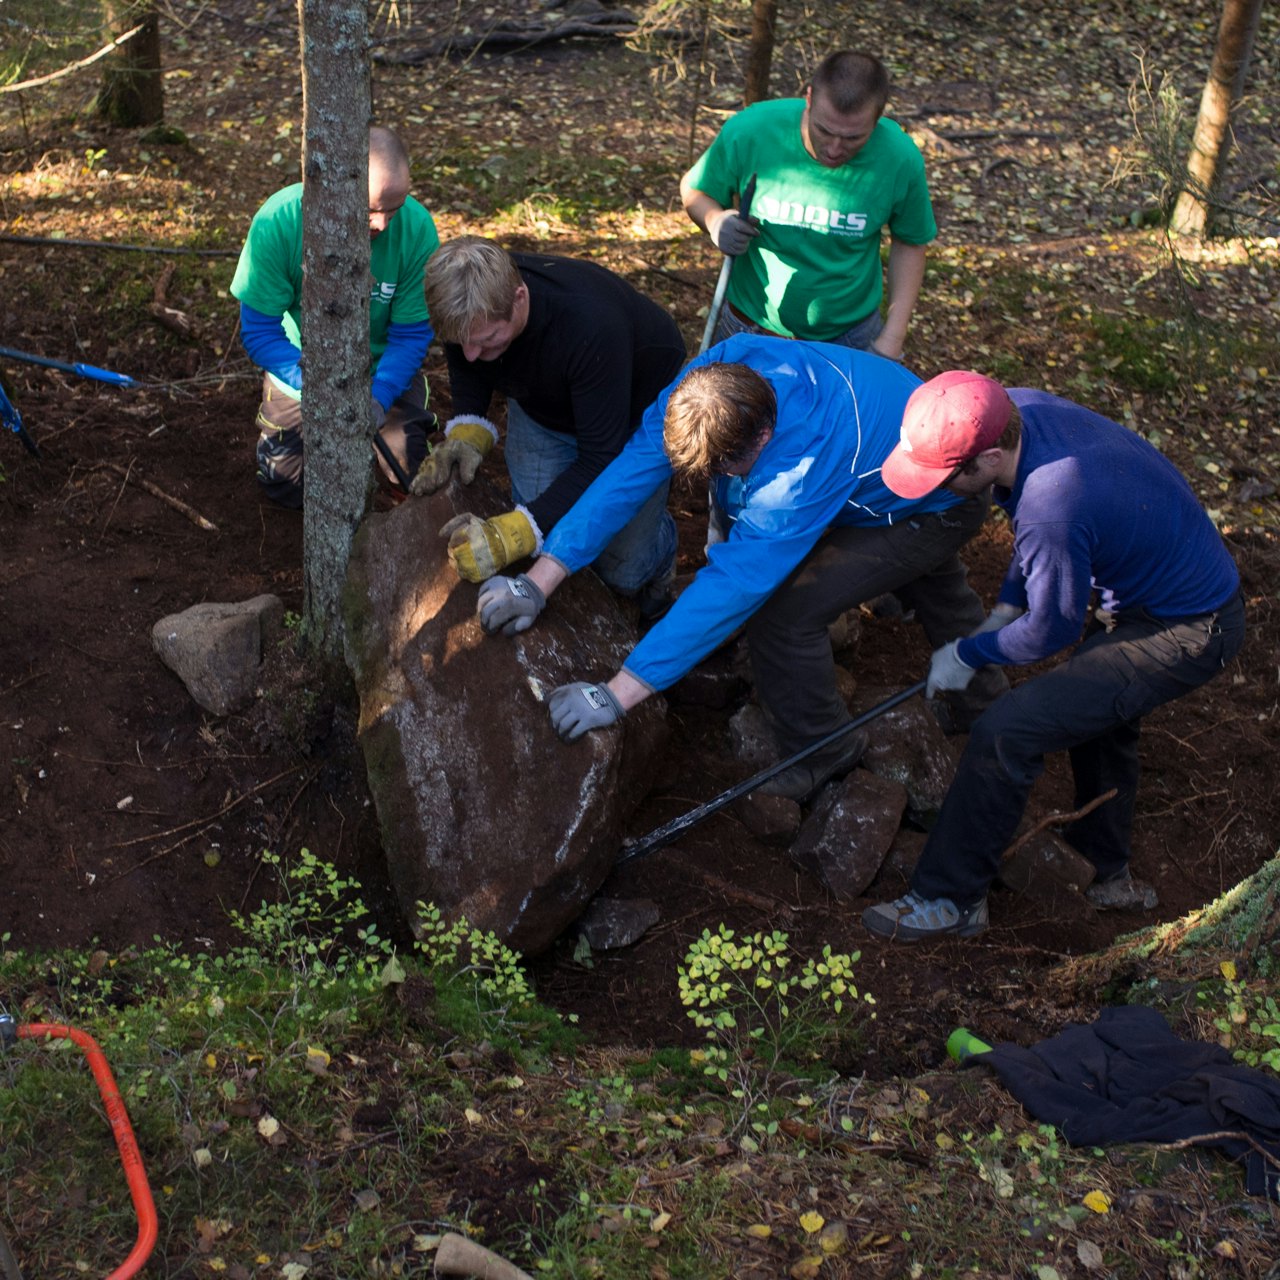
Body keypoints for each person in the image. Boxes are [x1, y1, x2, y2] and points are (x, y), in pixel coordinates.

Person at [472, 335, 1005, 801]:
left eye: (725, 469)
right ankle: (986, 705)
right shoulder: (718, 377)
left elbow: (738, 583)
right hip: (887, 464)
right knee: (936, 584)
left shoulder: (797, 477)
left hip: (942, 499)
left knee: (786, 613)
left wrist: (615, 693)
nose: (716, 479)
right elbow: (632, 469)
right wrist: (540, 578)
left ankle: (823, 748)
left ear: (762, 439)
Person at [862, 372, 1245, 942]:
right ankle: (1105, 870)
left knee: (1006, 731)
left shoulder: (1052, 504)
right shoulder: (1014, 411)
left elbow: (1052, 629)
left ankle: (950, 900)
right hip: (1150, 590)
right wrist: (1006, 606)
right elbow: (1035, 527)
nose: (935, 487)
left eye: (945, 476)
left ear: (989, 456)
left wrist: (968, 651)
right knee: (1100, 715)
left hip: (1187, 628)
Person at [414, 236, 686, 607]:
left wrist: (521, 529)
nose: (473, 356)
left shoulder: (590, 324)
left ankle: (662, 543)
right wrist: (468, 431)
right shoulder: (467, 309)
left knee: (623, 570)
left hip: (635, 414)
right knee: (551, 537)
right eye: (462, 343)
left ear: (520, 299)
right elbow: (470, 360)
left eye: (488, 340)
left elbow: (600, 456)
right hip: (545, 403)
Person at [230, 126, 439, 508]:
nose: (382, 225)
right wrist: (315, 386)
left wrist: (378, 398)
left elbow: (410, 336)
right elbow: (260, 330)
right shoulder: (280, 221)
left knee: (412, 475)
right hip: (302, 369)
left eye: (395, 208)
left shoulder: (417, 229)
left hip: (383, 370)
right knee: (286, 487)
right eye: (371, 210)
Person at [681, 50, 934, 360]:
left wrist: (893, 335)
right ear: (809, 99)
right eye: (824, 130)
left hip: (850, 336)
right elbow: (695, 190)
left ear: (878, 117)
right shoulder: (752, 131)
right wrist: (715, 220)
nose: (834, 148)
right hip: (751, 325)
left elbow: (910, 242)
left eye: (853, 138)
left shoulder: (899, 158)